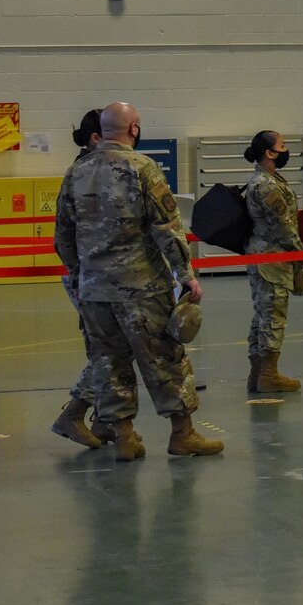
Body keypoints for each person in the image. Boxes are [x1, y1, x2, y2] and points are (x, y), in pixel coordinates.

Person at [51, 102, 221, 461]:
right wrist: (185, 275)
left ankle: (125, 438)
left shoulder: (76, 171)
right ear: (134, 129)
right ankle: (182, 434)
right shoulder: (143, 168)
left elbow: (63, 234)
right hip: (142, 287)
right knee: (165, 358)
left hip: (95, 290)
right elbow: (167, 228)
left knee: (109, 363)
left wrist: (80, 275)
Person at [50, 109, 110, 450]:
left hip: (104, 275)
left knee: (107, 349)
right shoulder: (81, 174)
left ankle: (106, 421)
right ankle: (74, 413)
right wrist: (80, 276)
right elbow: (63, 235)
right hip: (90, 276)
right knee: (108, 351)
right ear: (96, 138)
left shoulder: (103, 170)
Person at [243, 130, 303, 394]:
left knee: (263, 313)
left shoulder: (265, 179)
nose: (286, 149)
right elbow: (283, 226)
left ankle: (258, 373)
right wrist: (302, 253)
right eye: (282, 146)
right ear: (269, 153)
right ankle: (268, 374)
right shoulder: (267, 185)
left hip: (263, 256)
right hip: (273, 258)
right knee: (273, 315)